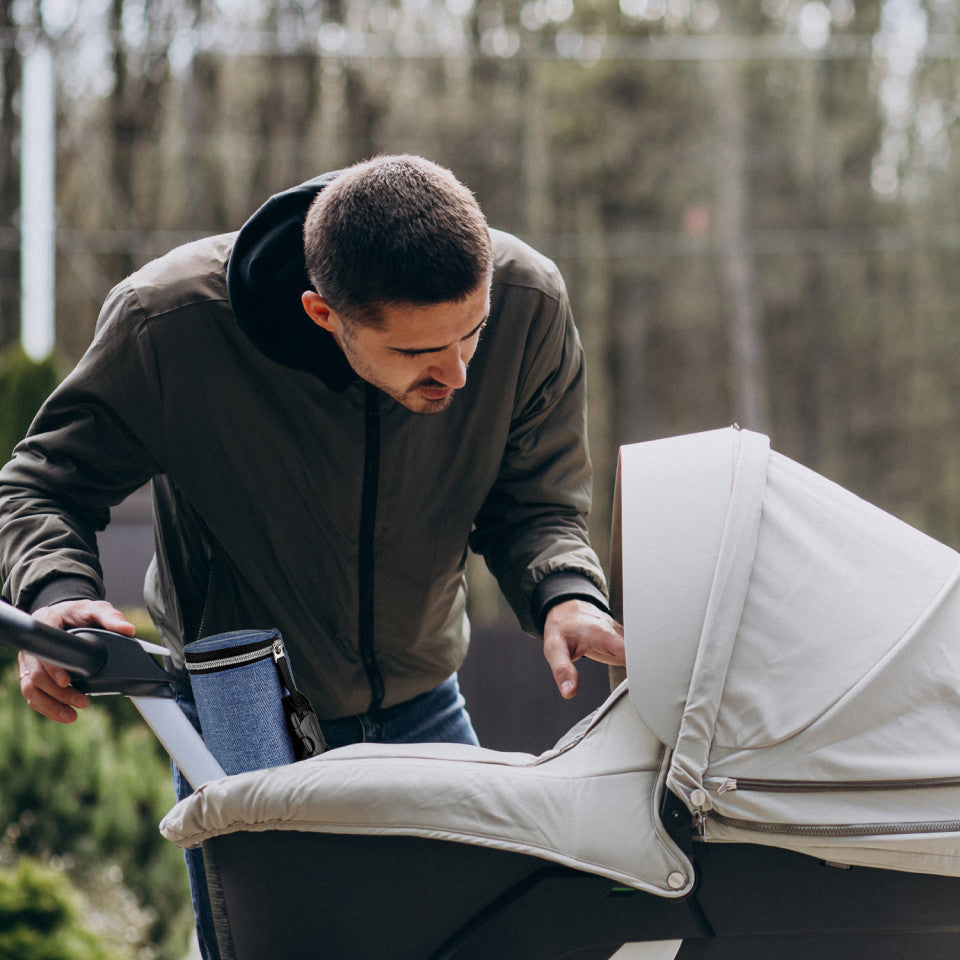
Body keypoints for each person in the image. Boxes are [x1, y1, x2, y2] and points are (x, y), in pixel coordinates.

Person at [0, 155, 624, 957]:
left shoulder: (529, 301)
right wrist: (57, 591)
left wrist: (565, 592)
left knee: (479, 939)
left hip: (422, 695)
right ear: (324, 315)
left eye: (473, 331)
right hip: (241, 715)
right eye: (420, 354)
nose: (460, 373)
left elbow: (534, 501)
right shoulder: (169, 326)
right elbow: (43, 484)